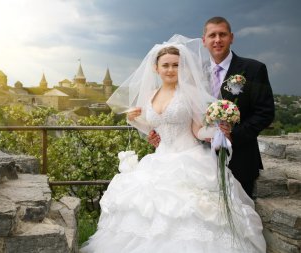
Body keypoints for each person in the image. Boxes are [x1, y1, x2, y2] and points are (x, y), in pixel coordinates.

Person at [81, 35, 266, 253]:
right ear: (155, 68)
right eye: (166, 65)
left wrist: (217, 129)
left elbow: (197, 129)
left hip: (190, 159)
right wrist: (135, 120)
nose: (170, 70)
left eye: (176, 65)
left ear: (183, 67)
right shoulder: (150, 95)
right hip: (159, 159)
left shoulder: (190, 94)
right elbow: (152, 126)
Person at [148, 17, 275, 198]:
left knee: (236, 216)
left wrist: (232, 135)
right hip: (195, 161)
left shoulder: (253, 69)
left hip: (239, 159)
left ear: (231, 37)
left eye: (222, 34)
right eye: (212, 35)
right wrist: (161, 132)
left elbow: (265, 113)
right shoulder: (192, 71)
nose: (217, 40)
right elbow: (180, 110)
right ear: (204, 41)